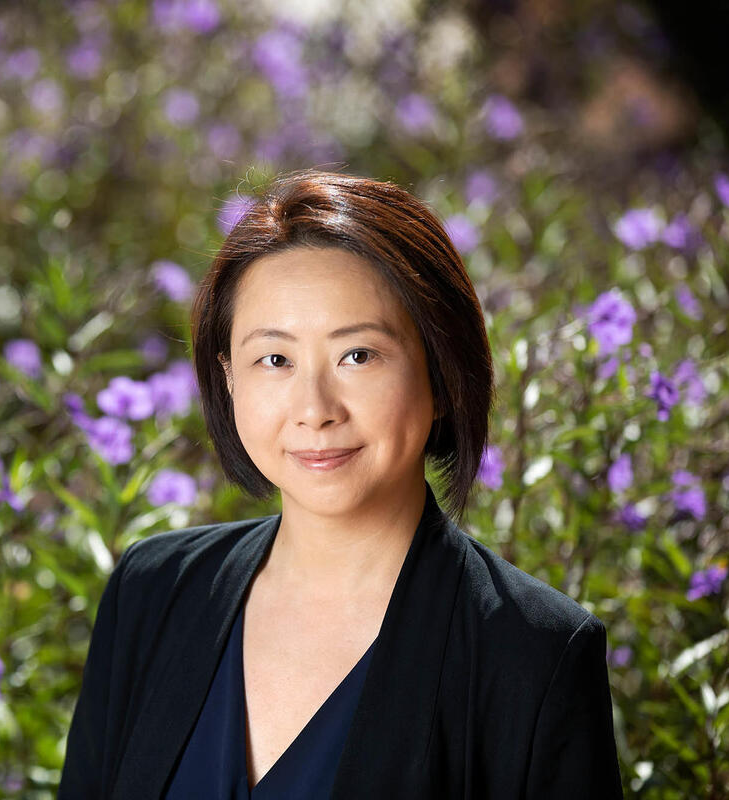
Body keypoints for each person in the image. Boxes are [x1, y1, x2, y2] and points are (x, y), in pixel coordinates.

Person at [57, 169, 624, 799]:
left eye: (358, 355)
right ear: (228, 378)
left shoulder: (532, 655)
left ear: (440, 374)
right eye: (275, 360)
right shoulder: (153, 592)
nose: (315, 408)